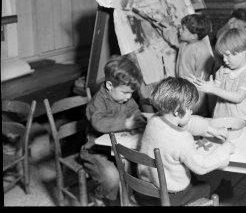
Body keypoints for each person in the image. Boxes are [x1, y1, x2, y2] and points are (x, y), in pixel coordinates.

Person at [138, 77, 235, 206]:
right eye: (190, 109)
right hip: (170, 196)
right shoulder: (182, 138)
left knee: (192, 178)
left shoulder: (154, 120)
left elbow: (186, 123)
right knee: (205, 185)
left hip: (145, 190)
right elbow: (201, 166)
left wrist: (211, 130)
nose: (192, 111)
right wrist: (225, 150)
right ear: (178, 112)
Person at [80, 55, 147, 206]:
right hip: (95, 151)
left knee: (138, 168)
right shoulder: (98, 102)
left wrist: (138, 119)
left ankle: (127, 197)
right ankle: (97, 195)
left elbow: (134, 109)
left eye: (131, 93)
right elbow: (99, 124)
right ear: (110, 85)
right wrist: (127, 123)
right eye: (125, 92)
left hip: (118, 148)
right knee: (112, 178)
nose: (129, 97)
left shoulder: (125, 97)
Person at [192, 27, 246, 124]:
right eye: (222, 55)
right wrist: (203, 85)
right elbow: (216, 90)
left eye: (227, 55)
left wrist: (213, 89)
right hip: (224, 119)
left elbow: (238, 97)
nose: (224, 59)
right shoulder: (223, 71)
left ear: (242, 51)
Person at [176, 14, 215, 117]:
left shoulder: (201, 50)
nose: (179, 30)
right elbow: (172, 38)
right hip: (183, 91)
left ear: (193, 35)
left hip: (196, 95)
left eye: (183, 29)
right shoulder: (185, 43)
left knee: (195, 119)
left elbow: (202, 78)